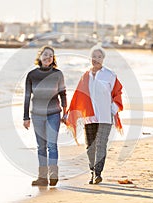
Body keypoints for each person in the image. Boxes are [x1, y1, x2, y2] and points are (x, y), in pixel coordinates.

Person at [65, 45, 123, 185]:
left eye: (99, 57)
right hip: (89, 117)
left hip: (105, 116)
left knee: (101, 144)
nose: (96, 59)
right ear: (90, 58)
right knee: (90, 145)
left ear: (103, 59)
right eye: (94, 56)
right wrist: (70, 114)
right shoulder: (85, 76)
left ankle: (98, 173)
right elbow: (78, 96)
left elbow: (118, 93)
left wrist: (112, 109)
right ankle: (92, 171)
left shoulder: (110, 75)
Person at [23, 45, 67, 186]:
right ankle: (42, 178)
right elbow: (27, 97)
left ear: (53, 59)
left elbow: (63, 93)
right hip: (36, 115)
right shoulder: (31, 75)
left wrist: (65, 113)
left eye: (51, 55)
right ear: (40, 56)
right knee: (41, 146)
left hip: (54, 114)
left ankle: (53, 175)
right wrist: (26, 117)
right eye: (46, 54)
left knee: (52, 145)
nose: (48, 57)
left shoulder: (58, 74)